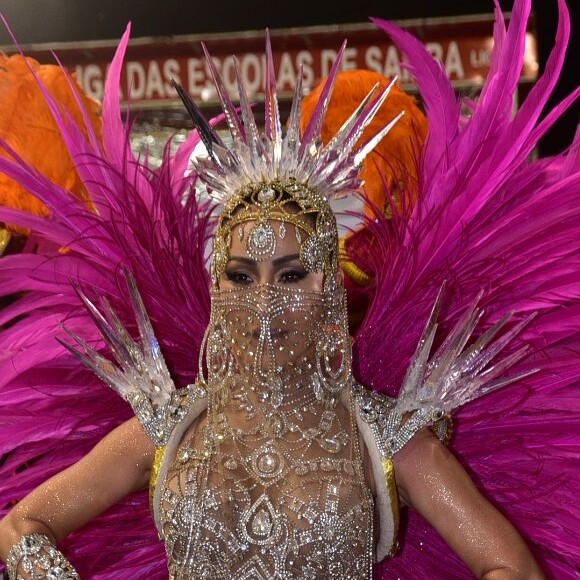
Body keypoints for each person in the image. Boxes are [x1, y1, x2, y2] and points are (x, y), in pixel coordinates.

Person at [1, 0, 579, 578]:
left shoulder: (385, 436)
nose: (264, 300)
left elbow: (513, 568)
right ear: (217, 288)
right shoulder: (168, 426)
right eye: (241, 276)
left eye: (291, 274)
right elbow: (19, 526)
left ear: (327, 287)